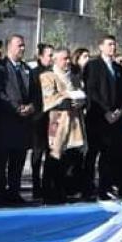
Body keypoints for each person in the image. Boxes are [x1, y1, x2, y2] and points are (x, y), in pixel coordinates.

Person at [0, 34, 37, 205]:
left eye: (24, 45)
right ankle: (1, 193)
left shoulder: (27, 69)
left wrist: (31, 106)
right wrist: (16, 108)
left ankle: (14, 192)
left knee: (18, 160)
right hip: (5, 120)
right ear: (9, 46)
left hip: (23, 123)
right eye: (19, 45)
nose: (22, 48)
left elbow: (35, 94)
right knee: (2, 160)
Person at [84, 35, 122, 200]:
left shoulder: (117, 67)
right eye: (109, 45)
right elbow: (91, 91)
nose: (113, 48)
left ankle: (105, 187)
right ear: (101, 47)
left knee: (109, 155)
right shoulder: (93, 65)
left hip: (114, 120)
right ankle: (87, 187)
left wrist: (120, 110)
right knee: (92, 154)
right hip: (98, 117)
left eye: (115, 45)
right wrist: (106, 111)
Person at [39, 49, 87, 204]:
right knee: (54, 158)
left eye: (68, 59)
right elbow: (48, 98)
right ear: (55, 60)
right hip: (57, 124)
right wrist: (67, 97)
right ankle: (49, 193)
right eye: (64, 59)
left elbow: (81, 94)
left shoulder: (74, 77)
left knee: (69, 160)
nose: (67, 62)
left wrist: (80, 101)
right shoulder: (47, 76)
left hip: (73, 124)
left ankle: (64, 191)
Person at [29, 43, 54, 201]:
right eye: (49, 55)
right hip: (39, 118)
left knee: (52, 153)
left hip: (53, 119)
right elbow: (33, 94)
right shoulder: (34, 73)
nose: (51, 58)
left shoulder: (54, 72)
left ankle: (48, 185)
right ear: (40, 56)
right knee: (37, 154)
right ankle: (36, 185)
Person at [65, 47, 91, 198]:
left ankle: (81, 185)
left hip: (82, 117)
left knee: (81, 154)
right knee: (71, 155)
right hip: (71, 119)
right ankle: (70, 187)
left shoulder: (86, 74)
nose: (87, 59)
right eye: (84, 56)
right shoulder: (73, 74)